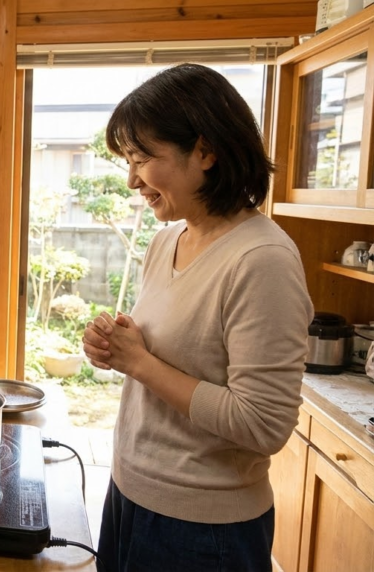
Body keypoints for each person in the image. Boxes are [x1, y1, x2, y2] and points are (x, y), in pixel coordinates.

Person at [82, 63, 313, 572]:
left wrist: (139, 362)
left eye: (142, 159)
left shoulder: (262, 259)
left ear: (206, 152)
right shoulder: (169, 239)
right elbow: (172, 353)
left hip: (205, 530)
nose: (130, 180)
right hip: (130, 492)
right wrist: (116, 347)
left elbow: (263, 424)